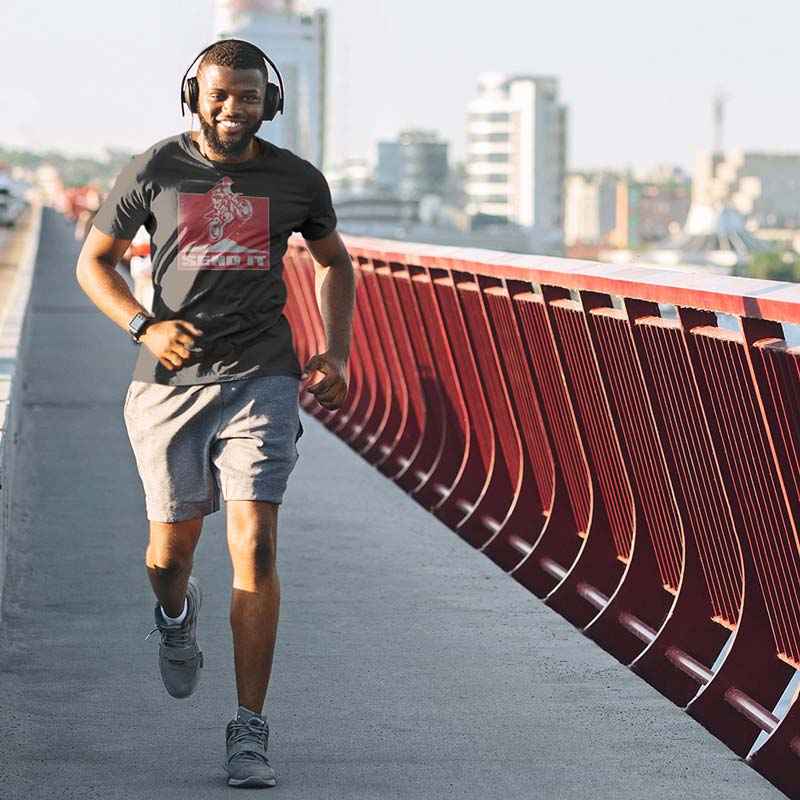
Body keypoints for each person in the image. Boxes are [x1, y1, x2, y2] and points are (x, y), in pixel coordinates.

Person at [75, 38, 355, 789]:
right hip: (169, 387)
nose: (236, 109)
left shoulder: (296, 179)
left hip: (264, 374)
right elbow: (93, 262)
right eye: (221, 95)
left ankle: (249, 730)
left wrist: (337, 351)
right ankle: (175, 617)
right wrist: (144, 325)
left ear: (272, 101)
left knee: (256, 543)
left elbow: (334, 261)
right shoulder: (155, 168)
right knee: (169, 558)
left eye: (251, 96)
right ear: (194, 94)